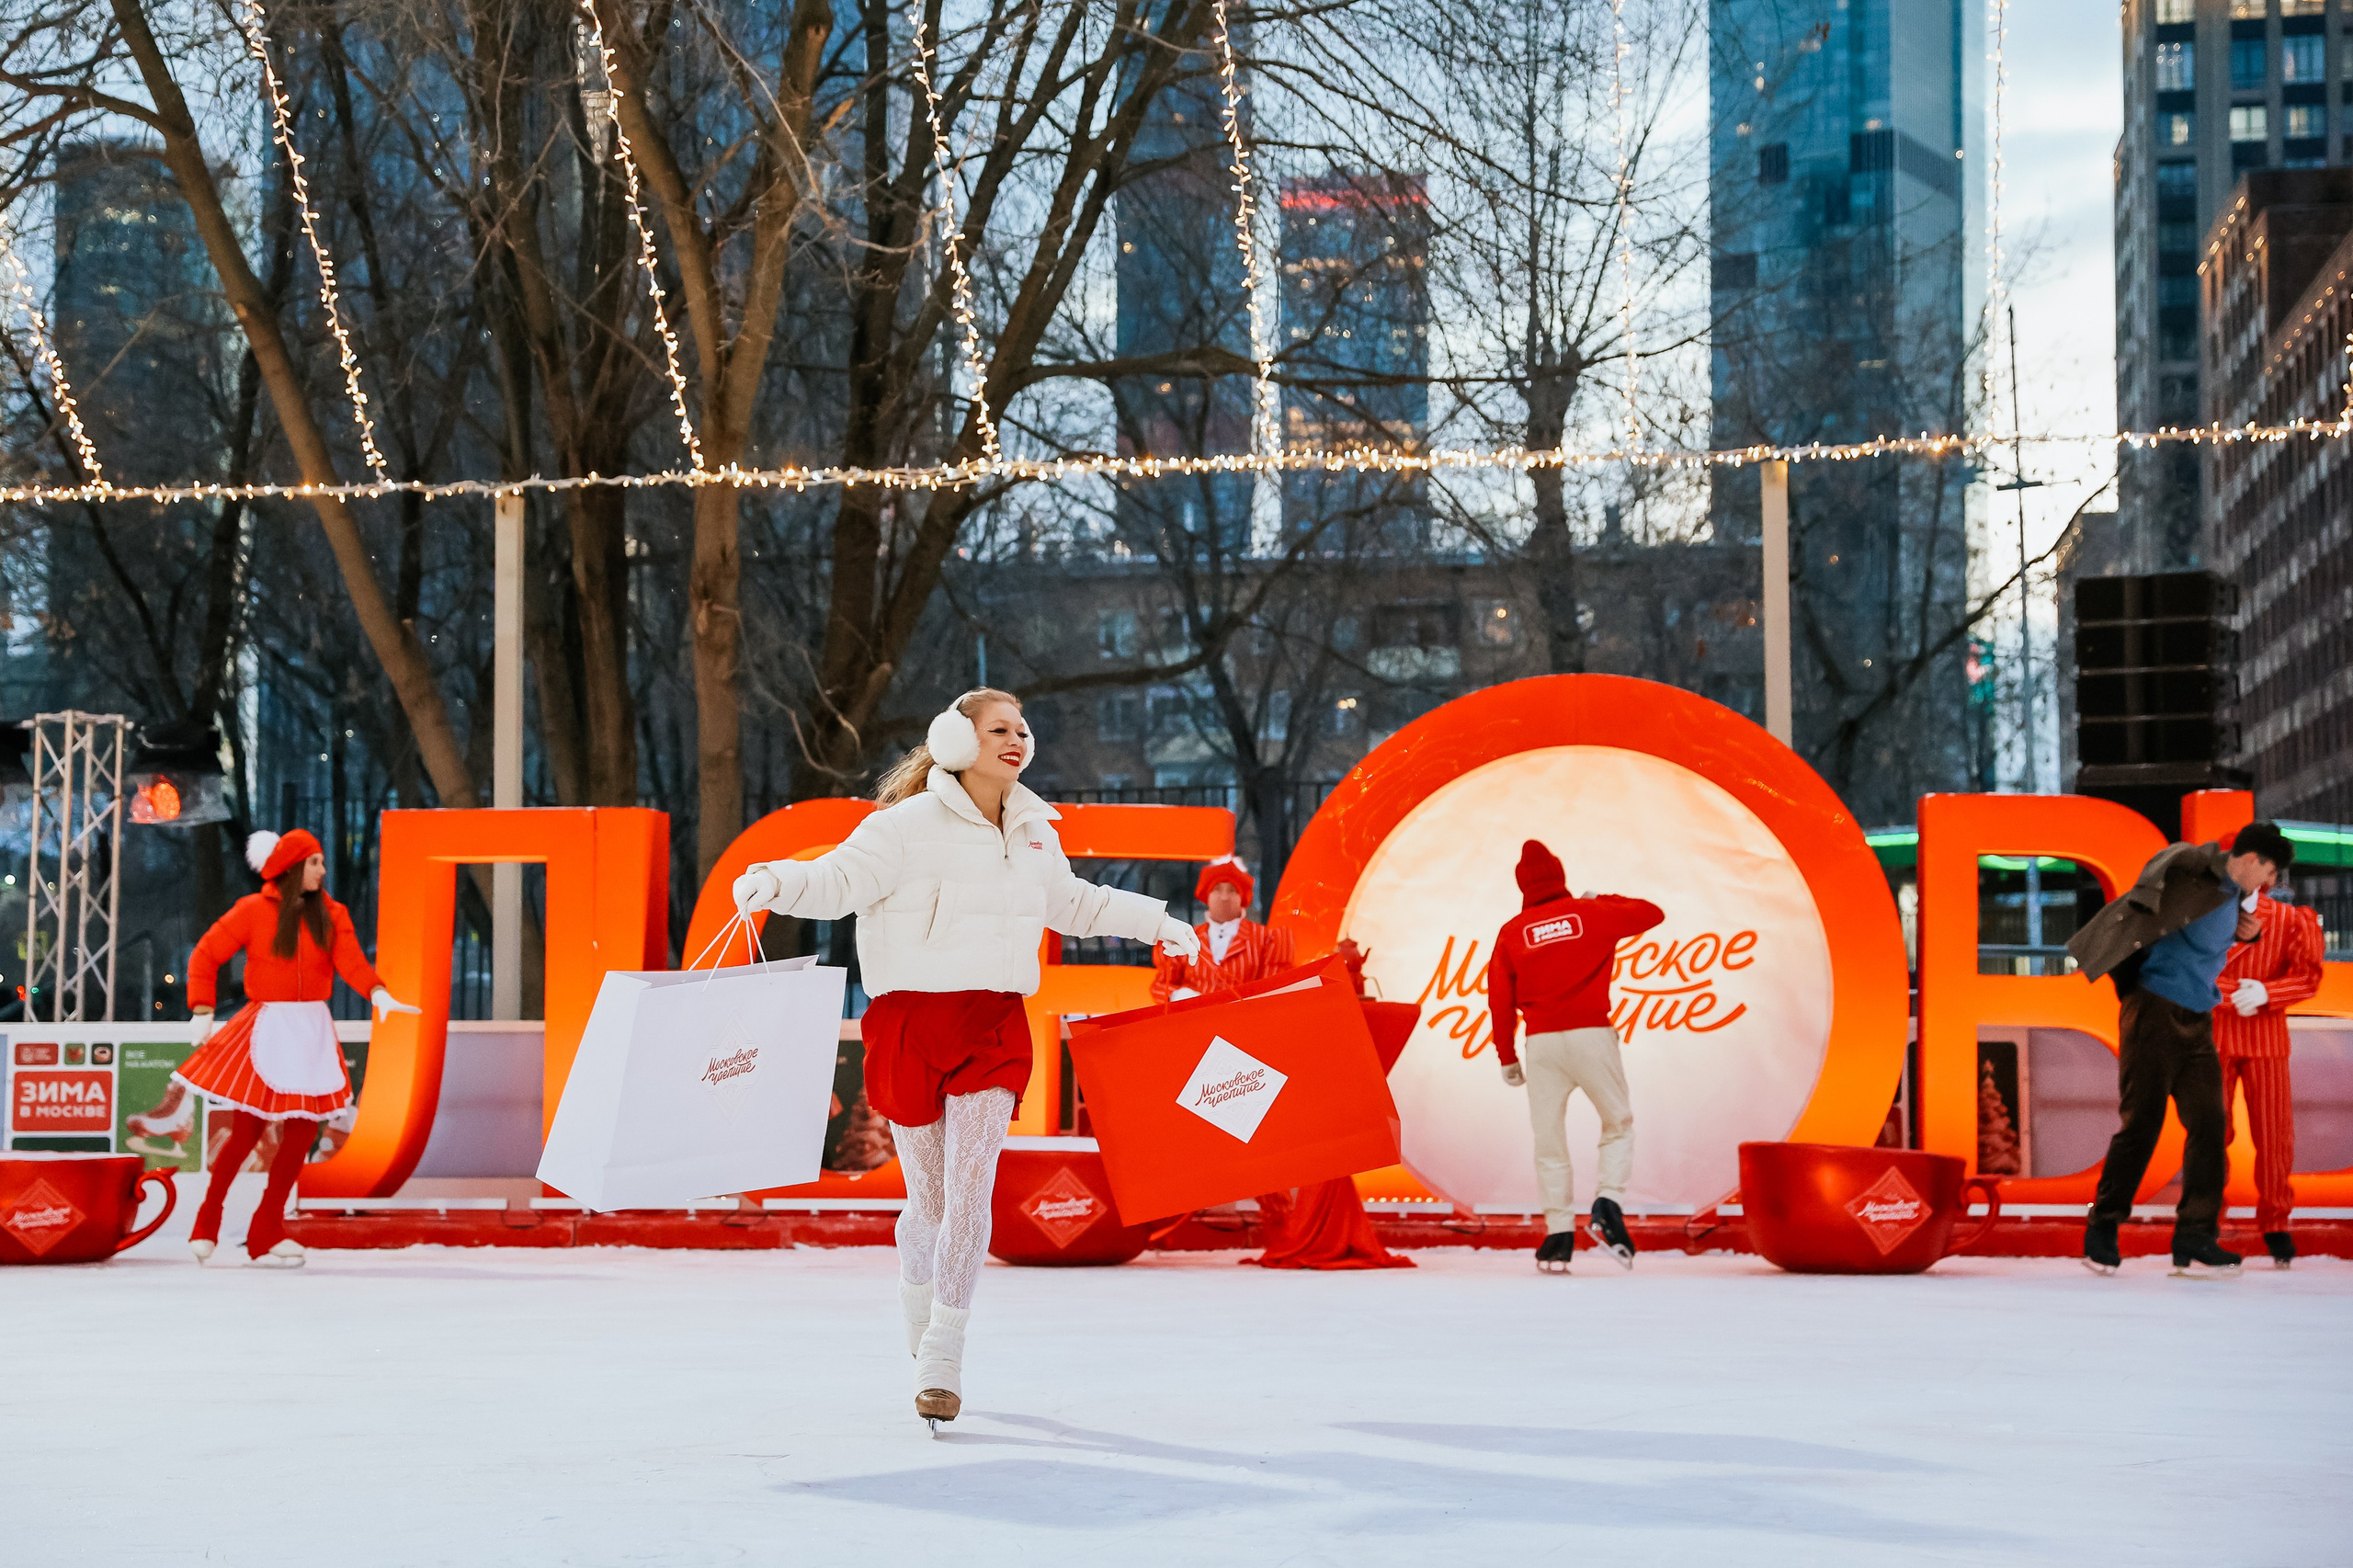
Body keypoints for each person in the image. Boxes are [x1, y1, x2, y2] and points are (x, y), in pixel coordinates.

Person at [732, 688, 1199, 1431]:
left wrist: (1158, 923)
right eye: (998, 729)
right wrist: (774, 882)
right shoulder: (904, 827)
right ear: (954, 739)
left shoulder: (1036, 831)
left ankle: (944, 1353)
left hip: (993, 1023)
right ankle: (919, 1323)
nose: (1017, 739)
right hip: (911, 1022)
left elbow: (1073, 904)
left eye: (1022, 728)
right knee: (931, 1203)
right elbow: (837, 881)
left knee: (972, 1189)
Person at [176, 829, 419, 1267]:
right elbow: (206, 954)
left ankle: (267, 1229)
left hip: (310, 1030)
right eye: (314, 862)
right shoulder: (253, 910)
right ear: (291, 868)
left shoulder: (332, 913)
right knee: (246, 1132)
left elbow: (350, 960)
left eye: (322, 863)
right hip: (268, 1026)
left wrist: (377, 992)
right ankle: (207, 1217)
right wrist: (202, 1007)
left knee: (302, 1133)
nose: (323, 871)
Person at [2065, 821, 2291, 1278]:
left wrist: (2243, 935)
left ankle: (2194, 1237)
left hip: (2198, 1019)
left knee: (2210, 1124)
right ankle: (2103, 1225)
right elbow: (2168, 861)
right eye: (2271, 871)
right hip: (2154, 1010)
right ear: (2250, 860)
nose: (2271, 883)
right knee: (2143, 1123)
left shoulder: (2232, 898)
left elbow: (2203, 939)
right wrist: (2156, 885)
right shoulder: (2195, 868)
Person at [1486, 839, 1663, 1274]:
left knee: (1549, 1139)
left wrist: (1507, 1056)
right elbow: (1652, 912)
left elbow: (1499, 997)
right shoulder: (1592, 915)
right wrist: (1598, 899)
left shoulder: (1512, 932)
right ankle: (1608, 1202)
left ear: (1522, 884)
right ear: (1560, 875)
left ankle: (1558, 1234)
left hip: (1542, 1045)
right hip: (1592, 1037)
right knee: (1617, 1123)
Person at [2211, 851, 2322, 1268]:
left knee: (2275, 1137)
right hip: (2216, 1034)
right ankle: (2207, 1220)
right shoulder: (2207, 915)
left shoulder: (2292, 919)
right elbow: (2190, 966)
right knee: (2210, 1134)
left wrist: (2267, 994)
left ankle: (2276, 1222)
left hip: (2265, 1037)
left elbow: (2308, 975)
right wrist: (2228, 994)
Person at [1150, 857, 1294, 1001]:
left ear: (1242, 897)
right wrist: (1180, 996)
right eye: (1217, 889)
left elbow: (1275, 991)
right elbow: (1161, 985)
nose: (1224, 897)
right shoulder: (1184, 938)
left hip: (1244, 1020)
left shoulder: (1267, 939)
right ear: (1207, 896)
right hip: (1194, 1020)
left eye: (1232, 890)